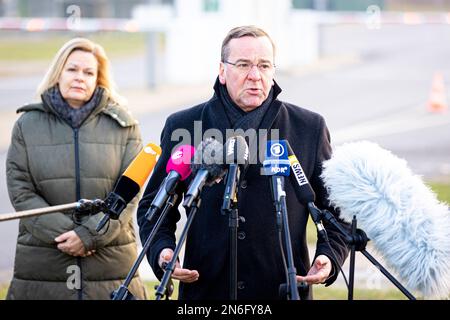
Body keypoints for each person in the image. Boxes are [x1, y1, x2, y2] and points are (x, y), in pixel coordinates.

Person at [137, 26, 349, 300]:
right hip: (206, 291)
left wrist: (328, 256)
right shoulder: (184, 126)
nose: (255, 75)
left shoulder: (308, 128)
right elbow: (153, 208)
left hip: (282, 291)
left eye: (264, 65)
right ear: (222, 71)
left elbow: (337, 210)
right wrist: (162, 251)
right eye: (243, 64)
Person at [6, 38, 147, 300]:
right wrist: (67, 235)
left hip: (110, 266)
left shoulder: (124, 126)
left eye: (89, 72)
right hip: (43, 265)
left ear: (98, 79)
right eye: (72, 69)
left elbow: (130, 193)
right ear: (58, 72)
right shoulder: (27, 124)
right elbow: (21, 191)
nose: (79, 77)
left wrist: (89, 235)